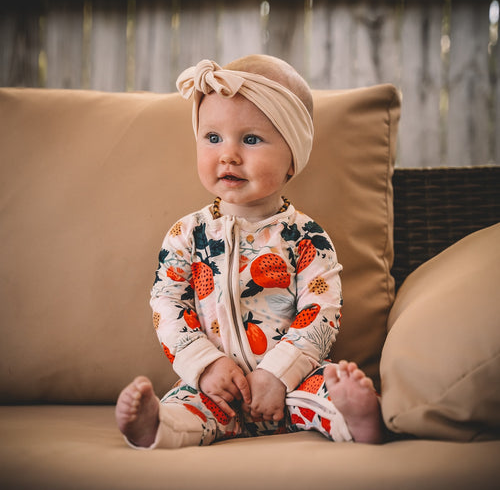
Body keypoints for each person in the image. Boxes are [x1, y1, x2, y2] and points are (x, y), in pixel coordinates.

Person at [115, 55, 382, 449]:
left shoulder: (306, 237)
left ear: (292, 158)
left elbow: (321, 311)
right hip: (216, 387)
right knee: (184, 406)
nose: (228, 155)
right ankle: (154, 426)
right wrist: (205, 366)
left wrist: (277, 373)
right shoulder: (186, 235)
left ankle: (358, 418)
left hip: (290, 383)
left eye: (251, 139)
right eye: (213, 137)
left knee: (324, 390)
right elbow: (167, 305)